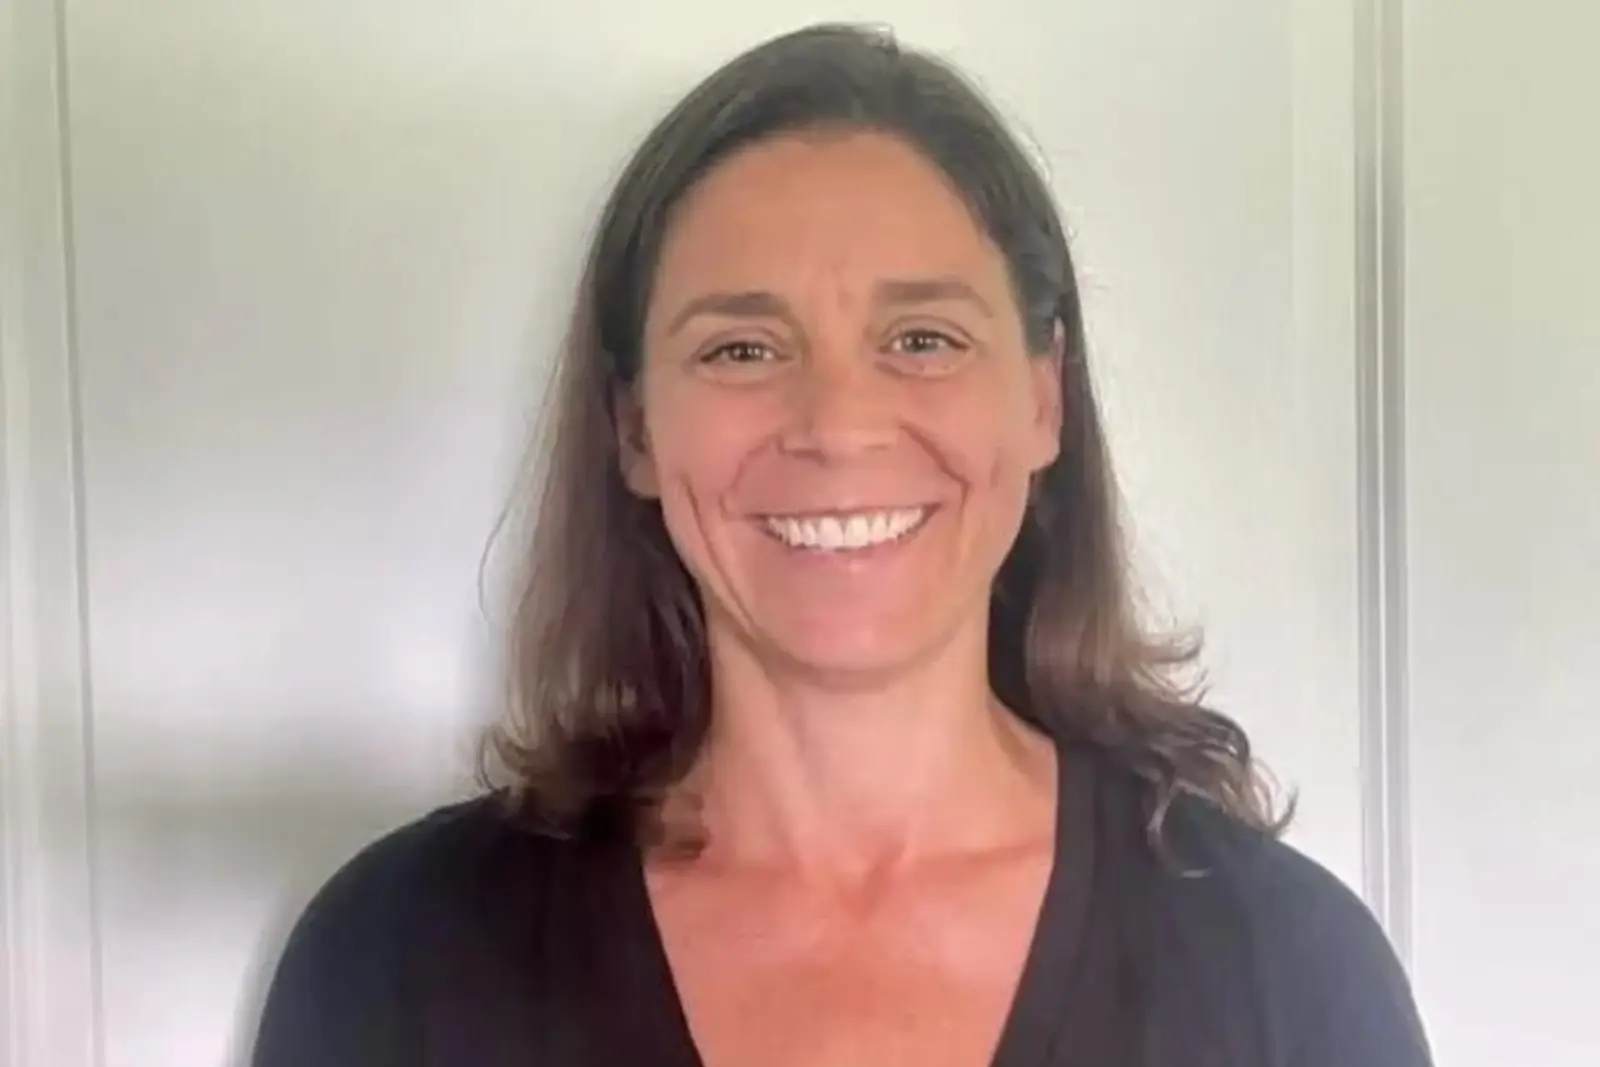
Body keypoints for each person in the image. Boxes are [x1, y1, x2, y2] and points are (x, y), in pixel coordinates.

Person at [252, 22, 1432, 1067]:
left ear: (1043, 397)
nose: (836, 424)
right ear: (633, 428)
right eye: (741, 349)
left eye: (921, 338)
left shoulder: (1286, 968)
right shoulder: (396, 957)